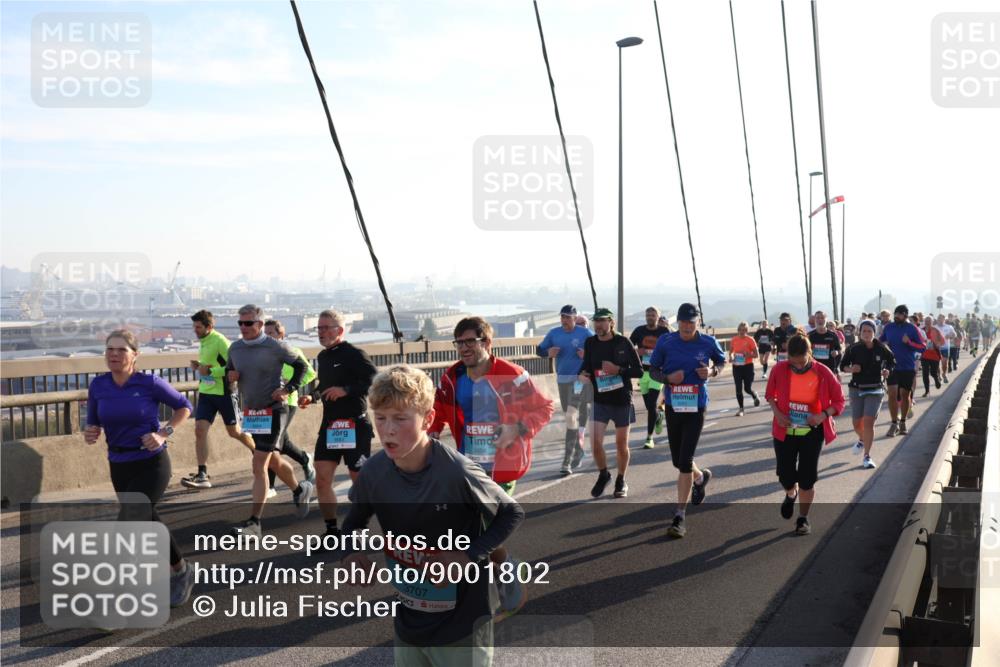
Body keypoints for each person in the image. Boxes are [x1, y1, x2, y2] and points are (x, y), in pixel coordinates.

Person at [340, 365, 524, 665]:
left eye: (400, 419)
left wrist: (466, 556)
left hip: (463, 622)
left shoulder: (456, 471)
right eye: (381, 418)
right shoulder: (374, 471)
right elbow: (353, 523)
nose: (388, 429)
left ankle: (505, 573)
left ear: (428, 419)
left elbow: (511, 513)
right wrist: (351, 553)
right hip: (410, 620)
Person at [430, 316, 552, 616]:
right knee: (470, 526)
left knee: (483, 525)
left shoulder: (512, 375)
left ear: (487, 342)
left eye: (470, 341)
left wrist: (518, 428)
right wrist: (429, 435)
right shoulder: (451, 377)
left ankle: (502, 572)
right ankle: (501, 567)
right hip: (469, 464)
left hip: (505, 464)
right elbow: (440, 412)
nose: (463, 348)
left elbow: (544, 407)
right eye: (459, 342)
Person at [85, 330, 196, 608]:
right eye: (110, 349)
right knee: (148, 520)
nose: (114, 354)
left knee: (128, 523)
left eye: (122, 349)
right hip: (119, 465)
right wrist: (91, 431)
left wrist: (163, 432)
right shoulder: (98, 385)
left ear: (135, 355)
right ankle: (181, 570)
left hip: (152, 463)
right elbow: (93, 419)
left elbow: (184, 407)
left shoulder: (149, 383)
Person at [226, 304, 315, 537]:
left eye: (248, 323)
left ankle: (254, 523)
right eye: (240, 323)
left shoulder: (276, 346)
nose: (243, 327)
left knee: (259, 465)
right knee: (273, 461)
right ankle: (300, 489)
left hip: (275, 410)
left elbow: (302, 367)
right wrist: (231, 379)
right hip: (253, 414)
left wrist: (288, 389)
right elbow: (231, 378)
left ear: (260, 324)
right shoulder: (234, 349)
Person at [299, 309, 378, 540]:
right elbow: (325, 385)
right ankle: (331, 530)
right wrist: (312, 396)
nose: (321, 332)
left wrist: (346, 390)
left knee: (358, 481)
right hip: (331, 426)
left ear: (340, 330)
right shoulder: (323, 357)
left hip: (355, 424)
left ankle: (361, 527)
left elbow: (375, 380)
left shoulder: (354, 354)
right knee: (322, 479)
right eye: (319, 328)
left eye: (326, 328)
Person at [649, 303, 726, 538]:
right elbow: (652, 370)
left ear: (698, 322)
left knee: (684, 461)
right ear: (678, 322)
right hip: (674, 405)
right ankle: (700, 477)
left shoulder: (707, 342)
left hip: (696, 406)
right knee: (678, 460)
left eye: (691, 322)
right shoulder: (666, 342)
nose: (686, 326)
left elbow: (722, 362)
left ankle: (679, 516)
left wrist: (712, 372)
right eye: (683, 322)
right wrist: (667, 378)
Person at [765, 334, 845, 534]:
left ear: (810, 354)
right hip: (785, 432)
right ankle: (790, 494)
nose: (798, 367)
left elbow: (839, 401)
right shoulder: (779, 369)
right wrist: (778, 413)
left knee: (808, 478)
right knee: (786, 476)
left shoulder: (823, 372)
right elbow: (770, 396)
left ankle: (803, 518)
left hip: (811, 433)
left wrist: (822, 415)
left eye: (802, 362)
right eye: (794, 363)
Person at [182, 310, 251, 489]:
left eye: (198, 327)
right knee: (199, 430)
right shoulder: (203, 342)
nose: (195, 330)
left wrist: (211, 371)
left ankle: (260, 454)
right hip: (206, 392)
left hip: (224, 392)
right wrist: (200, 367)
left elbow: (234, 366)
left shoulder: (220, 341)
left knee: (234, 432)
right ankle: (202, 473)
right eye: (194, 326)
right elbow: (211, 365)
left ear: (209, 327)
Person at [579, 308, 643, 499]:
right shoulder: (590, 342)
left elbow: (638, 371)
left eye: (602, 321)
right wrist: (582, 375)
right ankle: (604, 474)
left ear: (611, 322)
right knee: (595, 443)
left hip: (621, 400)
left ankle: (621, 480)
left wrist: (618, 370)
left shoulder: (623, 342)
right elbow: (586, 367)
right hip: (600, 400)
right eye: (595, 321)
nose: (598, 325)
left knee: (620, 444)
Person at [264, 319, 317, 498]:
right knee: (280, 442)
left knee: (272, 443)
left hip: (288, 402)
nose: (267, 336)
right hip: (267, 402)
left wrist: (291, 385)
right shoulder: (263, 353)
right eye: (265, 333)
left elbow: (310, 373)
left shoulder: (292, 351)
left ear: (281, 334)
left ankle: (270, 486)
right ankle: (304, 458)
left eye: (271, 333)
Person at [536, 305, 592, 473]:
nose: (564, 320)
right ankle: (579, 451)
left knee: (571, 416)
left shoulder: (584, 334)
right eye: (562, 317)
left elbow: (599, 350)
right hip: (562, 380)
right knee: (570, 418)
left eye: (568, 317)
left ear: (575, 319)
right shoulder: (554, 333)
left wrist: (587, 355)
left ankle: (566, 461)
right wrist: (548, 353)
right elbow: (539, 349)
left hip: (579, 380)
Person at [840, 320, 895, 469]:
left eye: (869, 331)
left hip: (875, 389)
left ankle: (867, 456)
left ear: (874, 332)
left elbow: (892, 361)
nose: (866, 334)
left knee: (868, 422)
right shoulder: (853, 348)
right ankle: (862, 439)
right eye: (863, 331)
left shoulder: (882, 348)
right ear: (859, 332)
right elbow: (842, 366)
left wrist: (887, 370)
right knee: (857, 423)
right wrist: (851, 370)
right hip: (856, 389)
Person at [879, 305, 926, 437]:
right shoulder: (889, 327)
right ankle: (894, 423)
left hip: (907, 367)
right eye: (895, 314)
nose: (896, 317)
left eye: (899, 314)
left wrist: (909, 342)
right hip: (892, 366)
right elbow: (880, 340)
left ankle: (903, 422)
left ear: (905, 315)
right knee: (892, 394)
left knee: (905, 395)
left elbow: (922, 347)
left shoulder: (912, 328)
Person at [629, 306, 671, 448]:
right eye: (648, 315)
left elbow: (674, 346)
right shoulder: (639, 331)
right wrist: (637, 351)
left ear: (658, 317)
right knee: (649, 407)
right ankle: (659, 416)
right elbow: (627, 348)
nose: (650, 317)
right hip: (642, 373)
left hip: (656, 372)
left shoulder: (664, 332)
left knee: (652, 404)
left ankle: (649, 438)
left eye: (653, 315)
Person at [729, 321, 760, 416]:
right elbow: (731, 352)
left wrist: (749, 354)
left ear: (747, 330)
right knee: (738, 388)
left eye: (745, 330)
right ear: (738, 330)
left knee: (747, 388)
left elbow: (756, 355)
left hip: (748, 367)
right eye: (741, 330)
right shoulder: (734, 340)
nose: (742, 332)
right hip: (737, 367)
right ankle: (741, 409)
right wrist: (731, 357)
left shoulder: (750, 340)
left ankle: (754, 395)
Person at [807, 311, 843, 377]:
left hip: (829, 369)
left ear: (826, 320)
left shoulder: (833, 335)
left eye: (822, 318)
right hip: (813, 369)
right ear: (815, 320)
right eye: (818, 318)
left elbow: (839, 350)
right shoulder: (809, 335)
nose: (820, 320)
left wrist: (837, 352)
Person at [920, 316, 945, 396]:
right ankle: (927, 391)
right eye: (926, 320)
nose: (927, 322)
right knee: (925, 373)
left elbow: (943, 341)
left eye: (929, 321)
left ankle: (936, 379)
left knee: (933, 372)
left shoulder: (935, 330)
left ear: (932, 322)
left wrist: (937, 344)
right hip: (924, 355)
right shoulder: (921, 330)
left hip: (934, 355)